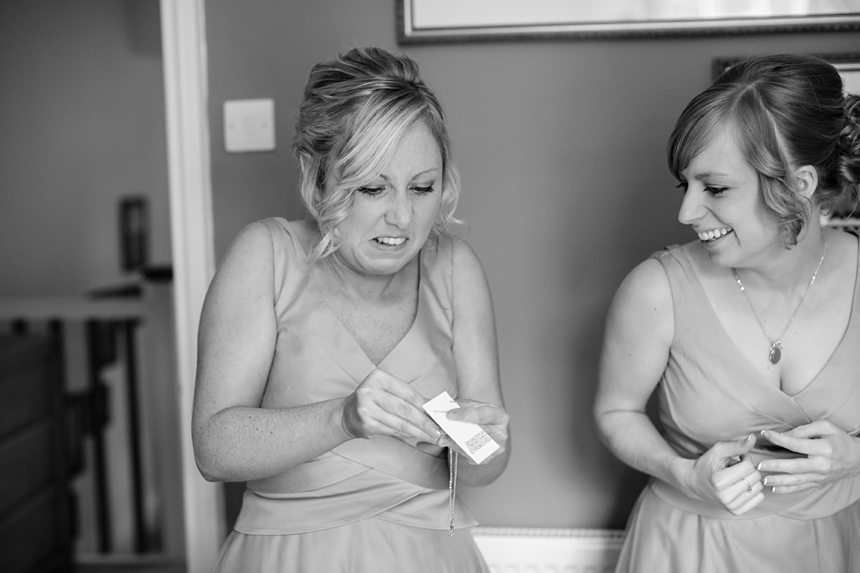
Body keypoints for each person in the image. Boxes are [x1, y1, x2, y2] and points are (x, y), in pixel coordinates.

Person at [192, 46, 510, 572]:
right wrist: (343, 418)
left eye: (423, 187)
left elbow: (482, 467)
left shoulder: (455, 268)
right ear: (317, 176)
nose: (403, 217)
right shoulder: (265, 256)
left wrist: (483, 442)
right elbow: (214, 449)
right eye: (371, 188)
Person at [594, 54, 860, 572]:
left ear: (799, 185)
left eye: (715, 188)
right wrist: (683, 472)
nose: (686, 212)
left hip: (839, 546)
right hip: (688, 550)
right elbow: (615, 412)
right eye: (686, 185)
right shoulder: (657, 289)